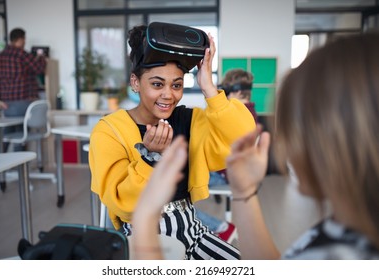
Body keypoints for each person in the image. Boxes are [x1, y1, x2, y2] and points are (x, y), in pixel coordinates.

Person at [132, 32, 379, 260]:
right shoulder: (346, 229)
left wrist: (144, 220)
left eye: (296, 129)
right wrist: (244, 192)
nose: (288, 148)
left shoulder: (343, 255)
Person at [89, 23, 256, 260]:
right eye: (157, 84)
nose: (169, 95)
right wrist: (150, 159)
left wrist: (208, 86)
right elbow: (123, 205)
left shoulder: (189, 121)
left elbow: (244, 139)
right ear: (135, 82)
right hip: (142, 239)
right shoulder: (109, 131)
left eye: (177, 85)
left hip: (193, 231)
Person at [195, 68, 257, 242]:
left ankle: (220, 227)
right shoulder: (249, 113)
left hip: (226, 175)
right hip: (230, 172)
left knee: (175, 194)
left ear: (236, 92)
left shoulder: (237, 117)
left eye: (224, 92)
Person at [0, 27, 47, 149]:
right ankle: (19, 166)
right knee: (21, 135)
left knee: (7, 133)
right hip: (23, 103)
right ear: (20, 39)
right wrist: (41, 56)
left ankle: (0, 163)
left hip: (7, 105)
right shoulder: (22, 54)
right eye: (24, 39)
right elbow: (39, 68)